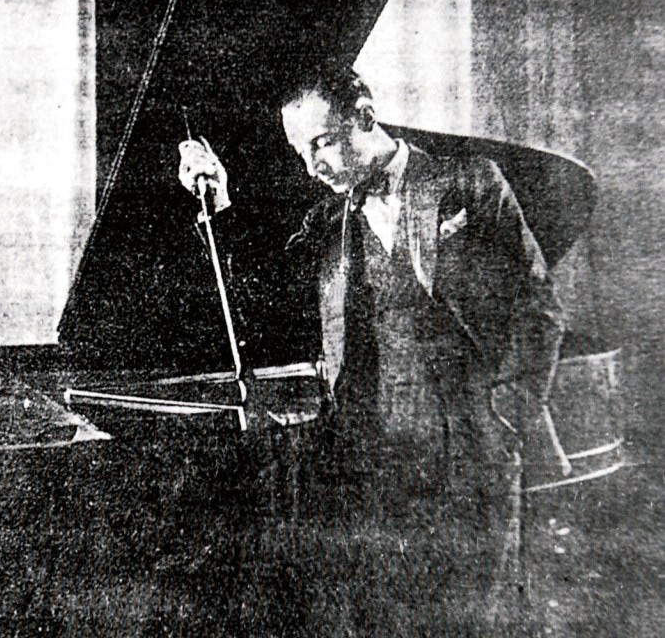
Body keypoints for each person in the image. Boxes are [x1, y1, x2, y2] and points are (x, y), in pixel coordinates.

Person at [177, 64, 564, 634]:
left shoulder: (471, 183)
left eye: (321, 143)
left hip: (470, 454)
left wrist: (509, 413)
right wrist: (222, 202)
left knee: (473, 621)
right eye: (300, 153)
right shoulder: (327, 220)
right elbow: (268, 299)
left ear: (364, 116)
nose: (312, 167)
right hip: (371, 464)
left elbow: (539, 306)